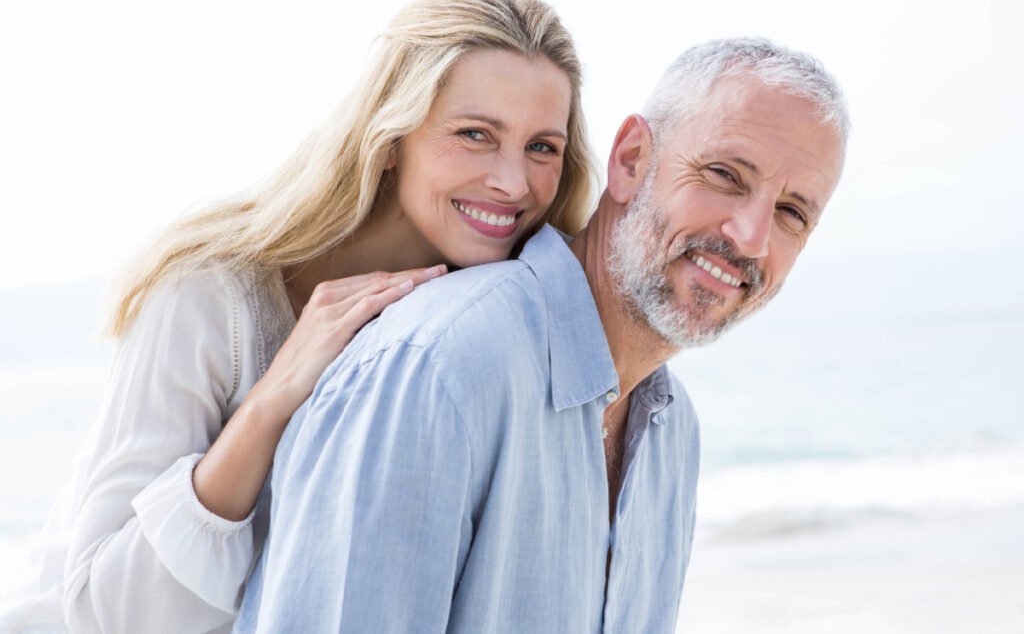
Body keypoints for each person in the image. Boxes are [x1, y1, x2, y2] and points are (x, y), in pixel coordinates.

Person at [0, 0, 596, 634]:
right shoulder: (209, 293)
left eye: (542, 146)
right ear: (391, 134)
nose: (513, 182)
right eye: (476, 133)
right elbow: (105, 611)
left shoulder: (482, 334)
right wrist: (270, 402)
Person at [233, 37, 850, 633]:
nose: (750, 236)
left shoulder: (671, 429)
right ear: (632, 159)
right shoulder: (441, 364)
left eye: (792, 212)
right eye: (724, 175)